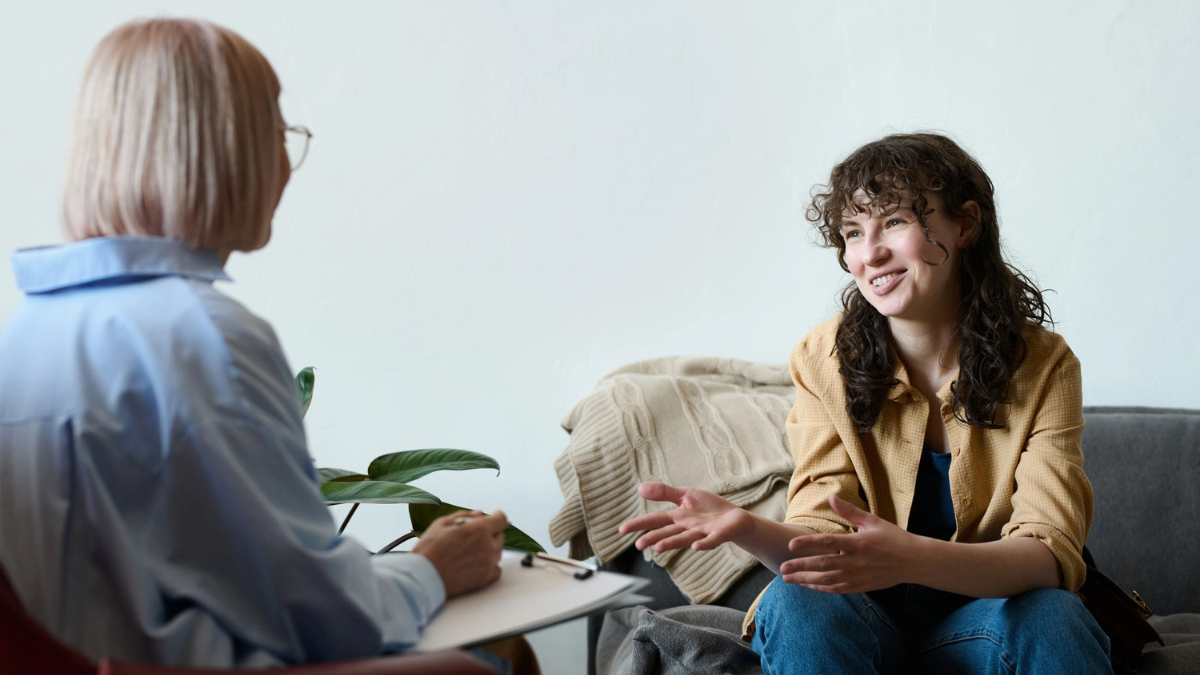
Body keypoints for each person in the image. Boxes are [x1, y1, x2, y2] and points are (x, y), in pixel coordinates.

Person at [0, 18, 510, 668]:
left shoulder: (28, 328)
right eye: (278, 132)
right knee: (487, 661)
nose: (285, 164)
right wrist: (432, 567)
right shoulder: (200, 337)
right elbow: (328, 622)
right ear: (226, 148)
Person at [620, 133, 1111, 673]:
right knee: (795, 601)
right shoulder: (821, 357)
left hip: (982, 630)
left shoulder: (1044, 363)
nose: (869, 253)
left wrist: (910, 557)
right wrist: (747, 528)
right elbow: (818, 541)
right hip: (861, 629)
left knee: (1052, 615)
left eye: (894, 222)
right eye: (854, 232)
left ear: (965, 224)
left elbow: (1048, 556)